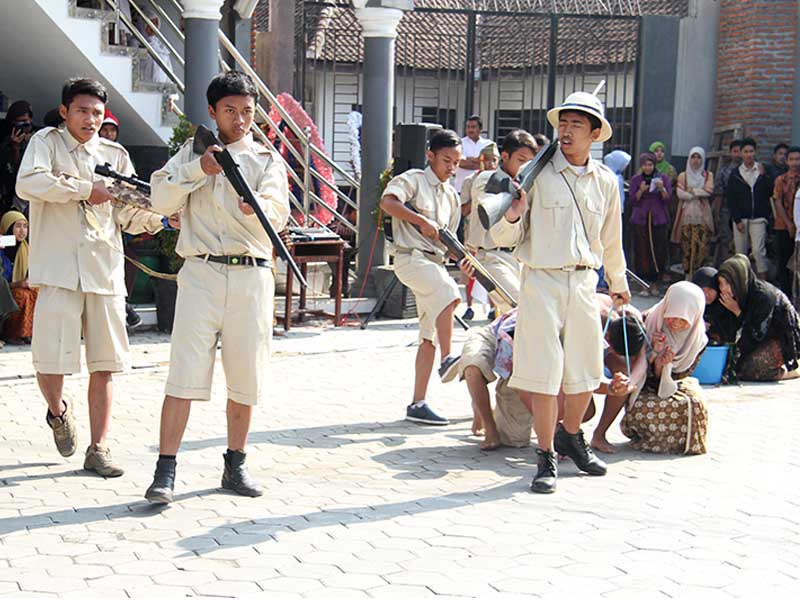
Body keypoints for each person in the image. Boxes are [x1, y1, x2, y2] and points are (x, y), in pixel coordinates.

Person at [144, 71, 289, 504]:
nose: (240, 120)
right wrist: (198, 169)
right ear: (212, 111)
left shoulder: (266, 160)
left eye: (247, 111)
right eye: (230, 110)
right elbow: (159, 199)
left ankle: (235, 464)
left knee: (246, 376)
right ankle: (165, 471)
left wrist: (254, 206)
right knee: (183, 374)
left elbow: (278, 212)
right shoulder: (191, 153)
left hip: (252, 275)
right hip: (202, 274)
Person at [15, 77, 169, 476]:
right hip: (59, 272)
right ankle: (58, 411)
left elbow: (128, 211)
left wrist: (164, 219)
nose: (90, 119)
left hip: (104, 271)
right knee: (50, 360)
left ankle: (99, 448)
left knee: (105, 363)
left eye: (97, 113)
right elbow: (28, 183)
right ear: (64, 111)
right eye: (82, 111)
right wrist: (85, 189)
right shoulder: (45, 143)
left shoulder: (115, 155)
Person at [490, 91, 630, 493]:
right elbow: (503, 236)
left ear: (595, 134)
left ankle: (572, 436)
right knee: (544, 374)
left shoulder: (605, 181)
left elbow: (611, 238)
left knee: (584, 370)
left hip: (585, 282)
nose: (566, 131)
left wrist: (618, 284)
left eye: (576, 125)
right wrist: (512, 214)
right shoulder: (536, 174)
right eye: (563, 123)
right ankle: (546, 454)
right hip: (541, 280)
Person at [452, 296, 639, 453]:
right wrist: (551, 434)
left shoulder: (619, 315)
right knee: (474, 367)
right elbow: (527, 387)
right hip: (503, 339)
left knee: (516, 438)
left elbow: (586, 378)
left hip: (532, 349)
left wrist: (617, 386)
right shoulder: (560, 331)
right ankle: (487, 421)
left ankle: (599, 436)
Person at [381, 129, 464, 426]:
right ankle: (449, 358)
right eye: (446, 160)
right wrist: (420, 220)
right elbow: (388, 202)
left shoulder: (452, 196)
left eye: (456, 162)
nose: (451, 167)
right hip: (410, 259)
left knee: (427, 337)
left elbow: (449, 240)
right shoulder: (413, 179)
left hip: (435, 262)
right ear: (431, 155)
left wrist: (463, 257)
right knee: (449, 292)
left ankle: (417, 404)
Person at [620, 281, 709, 455]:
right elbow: (635, 364)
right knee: (646, 406)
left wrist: (665, 367)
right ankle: (646, 439)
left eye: (683, 320)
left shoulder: (698, 340)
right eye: (672, 316)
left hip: (675, 382)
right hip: (644, 383)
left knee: (693, 403)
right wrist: (654, 356)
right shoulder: (647, 322)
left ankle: (682, 445)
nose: (675, 324)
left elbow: (682, 374)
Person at [467, 130, 537, 315]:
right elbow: (489, 208)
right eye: (521, 160)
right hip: (491, 256)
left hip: (518, 258)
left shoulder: (525, 186)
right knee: (521, 310)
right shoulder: (488, 178)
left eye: (530, 163)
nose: (525, 167)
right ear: (505, 156)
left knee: (526, 315)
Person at [717, 254, 800, 382]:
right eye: (720, 283)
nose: (723, 289)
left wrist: (737, 312)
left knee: (750, 370)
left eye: (727, 283)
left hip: (781, 338)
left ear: (739, 280)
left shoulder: (763, 297)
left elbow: (757, 336)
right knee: (734, 366)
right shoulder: (739, 293)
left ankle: (791, 372)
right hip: (760, 338)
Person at [98, 109, 144, 330]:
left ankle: (124, 307)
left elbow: (131, 193)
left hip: (116, 221)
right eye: (105, 129)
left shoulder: (120, 155)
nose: (108, 134)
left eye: (112, 130)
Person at [459, 142, 500, 321]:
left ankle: (494, 307)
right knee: (471, 269)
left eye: (494, 160)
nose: (491, 164)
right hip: (473, 230)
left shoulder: (501, 179)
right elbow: (463, 210)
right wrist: (478, 196)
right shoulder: (470, 181)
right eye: (487, 160)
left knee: (493, 271)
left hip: (493, 231)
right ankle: (469, 306)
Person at [726, 138, 771, 280]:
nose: (749, 154)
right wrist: (737, 219)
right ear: (741, 153)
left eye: (751, 151)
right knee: (741, 254)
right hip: (741, 219)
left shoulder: (763, 170)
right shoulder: (735, 174)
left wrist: (764, 176)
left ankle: (763, 283)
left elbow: (770, 192)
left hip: (759, 217)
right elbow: (731, 199)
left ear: (755, 152)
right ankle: (742, 283)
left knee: (758, 251)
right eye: (746, 151)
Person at [629, 152, 672, 289]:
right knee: (642, 249)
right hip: (641, 219)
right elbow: (632, 200)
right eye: (645, 165)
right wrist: (641, 190)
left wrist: (661, 188)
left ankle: (656, 280)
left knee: (659, 249)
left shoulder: (663, 178)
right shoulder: (636, 179)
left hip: (658, 218)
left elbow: (668, 199)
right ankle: (643, 281)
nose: (647, 168)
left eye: (650, 165)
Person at [671, 146, 714, 280]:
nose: (696, 160)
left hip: (702, 216)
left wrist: (692, 191)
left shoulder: (708, 175)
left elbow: (708, 191)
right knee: (687, 246)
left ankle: (700, 277)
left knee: (702, 247)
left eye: (698, 157)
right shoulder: (683, 176)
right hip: (686, 216)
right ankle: (688, 276)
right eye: (693, 157)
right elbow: (680, 194)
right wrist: (695, 193)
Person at [0, 211, 36, 344]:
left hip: (19, 285)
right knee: (21, 295)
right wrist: (18, 284)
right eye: (18, 226)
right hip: (5, 288)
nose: (22, 231)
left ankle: (27, 332)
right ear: (8, 228)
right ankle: (12, 333)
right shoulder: (1, 248)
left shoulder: (26, 248)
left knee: (35, 292)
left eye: (25, 226)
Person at [771, 146, 800, 296]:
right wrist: (789, 224)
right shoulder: (780, 180)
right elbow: (778, 202)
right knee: (783, 262)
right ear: (787, 161)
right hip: (783, 226)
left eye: (798, 159)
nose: (795, 163)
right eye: (792, 159)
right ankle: (785, 296)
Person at [0, 100, 35, 215]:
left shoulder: (40, 139)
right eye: (19, 123)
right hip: (14, 198)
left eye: (25, 122)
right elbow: (16, 173)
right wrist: (15, 148)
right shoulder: (6, 145)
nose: (23, 126)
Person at [713, 139, 743, 265]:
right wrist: (717, 214)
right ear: (730, 153)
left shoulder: (749, 170)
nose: (738, 154)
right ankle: (726, 268)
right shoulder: (724, 171)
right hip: (726, 211)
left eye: (740, 151)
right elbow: (719, 194)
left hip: (744, 212)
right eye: (735, 151)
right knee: (726, 240)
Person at [691, 266, 739, 345]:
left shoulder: (728, 307)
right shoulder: (689, 308)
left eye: (710, 289)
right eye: (702, 289)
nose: (706, 294)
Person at [453, 115, 492, 194]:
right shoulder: (459, 143)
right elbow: (461, 163)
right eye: (468, 127)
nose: (470, 130)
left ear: (480, 129)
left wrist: (469, 159)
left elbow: (491, 165)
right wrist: (481, 163)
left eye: (473, 127)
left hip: (482, 189)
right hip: (461, 188)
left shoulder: (488, 144)